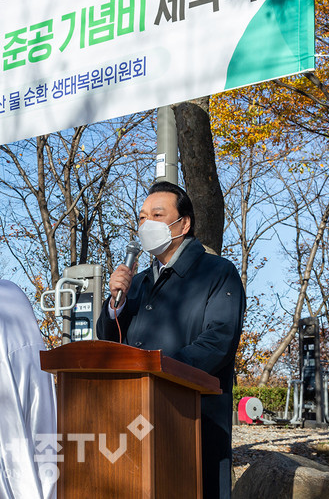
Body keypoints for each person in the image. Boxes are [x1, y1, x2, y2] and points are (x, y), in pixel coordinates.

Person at [96, 181, 245, 499]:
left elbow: (218, 341)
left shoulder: (217, 273)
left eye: (157, 215)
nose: (146, 224)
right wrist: (114, 306)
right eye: (141, 217)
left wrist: (157, 370)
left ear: (184, 223)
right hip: (133, 413)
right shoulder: (136, 282)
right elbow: (109, 342)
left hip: (192, 418)